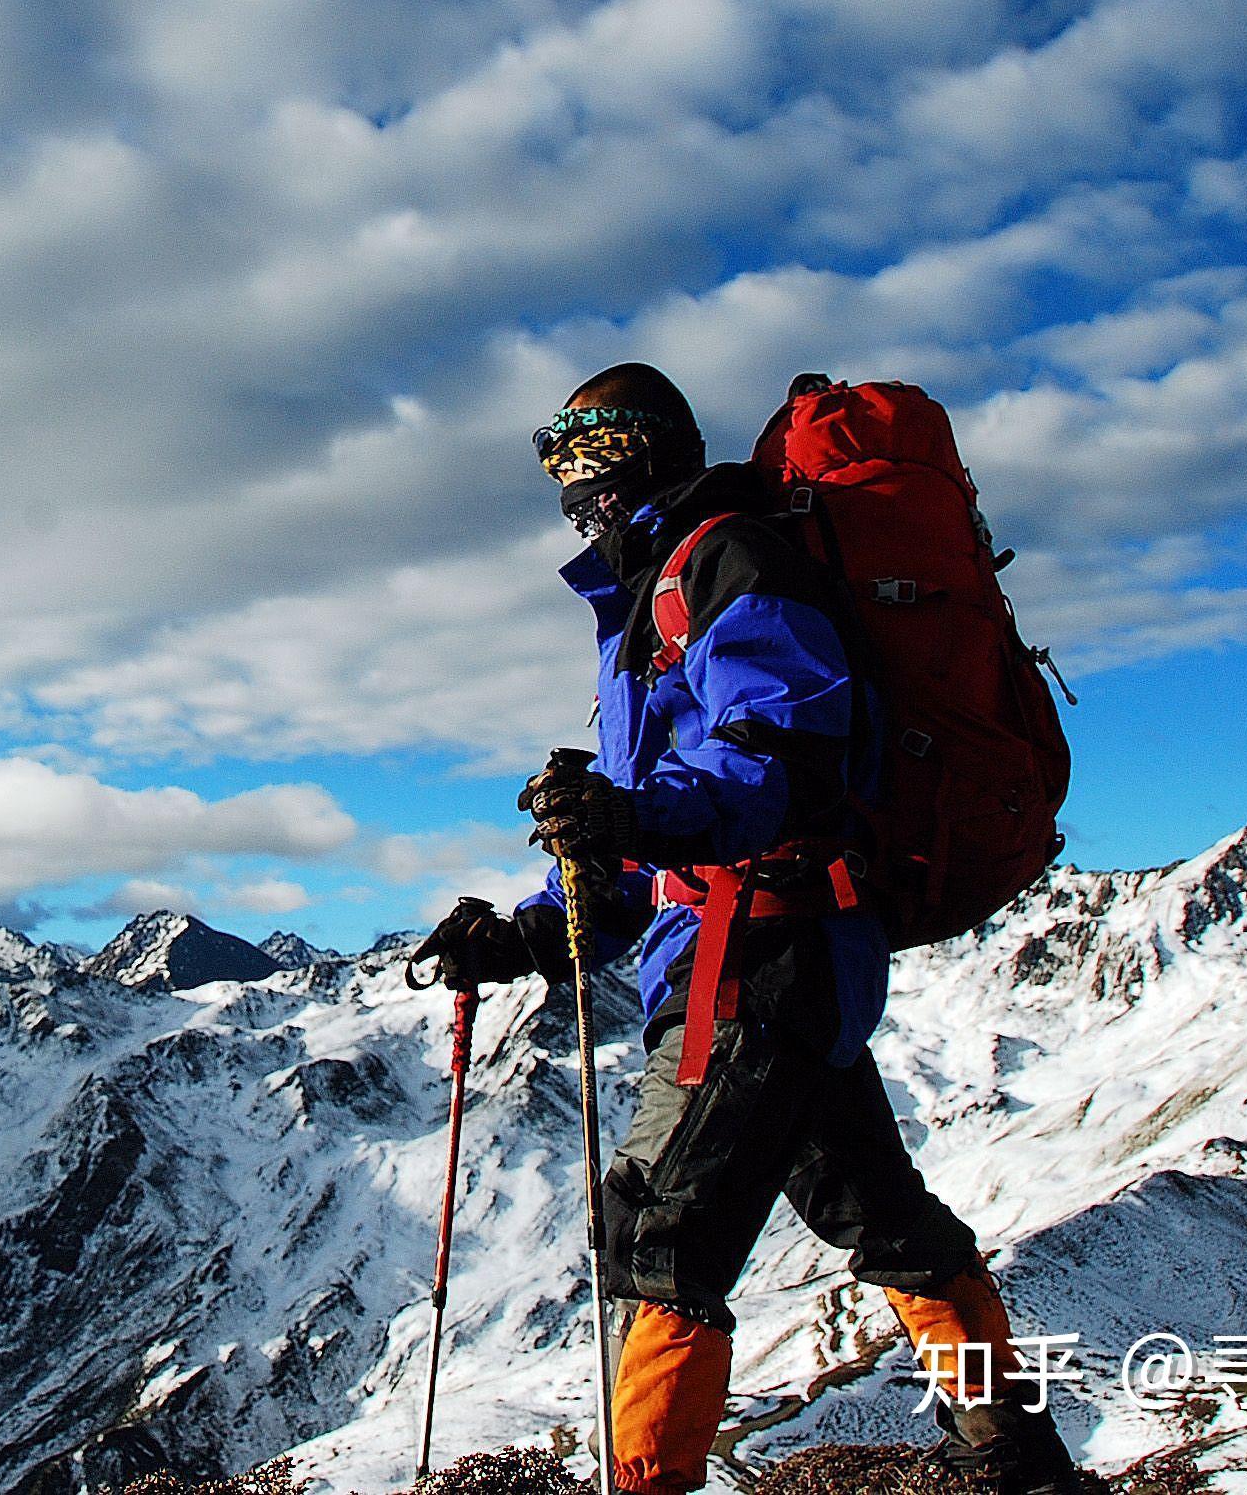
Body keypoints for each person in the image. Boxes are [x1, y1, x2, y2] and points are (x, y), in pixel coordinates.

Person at [417, 362, 1089, 1495]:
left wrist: (631, 814)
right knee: (883, 1215)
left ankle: (647, 1482)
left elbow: (783, 755)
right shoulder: (656, 594)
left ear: (636, 451)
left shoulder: (725, 560)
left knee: (659, 1235)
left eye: (578, 452)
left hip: (755, 954)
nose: (567, 481)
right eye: (555, 458)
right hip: (775, 950)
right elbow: (651, 838)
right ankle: (1012, 1455)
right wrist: (530, 932)